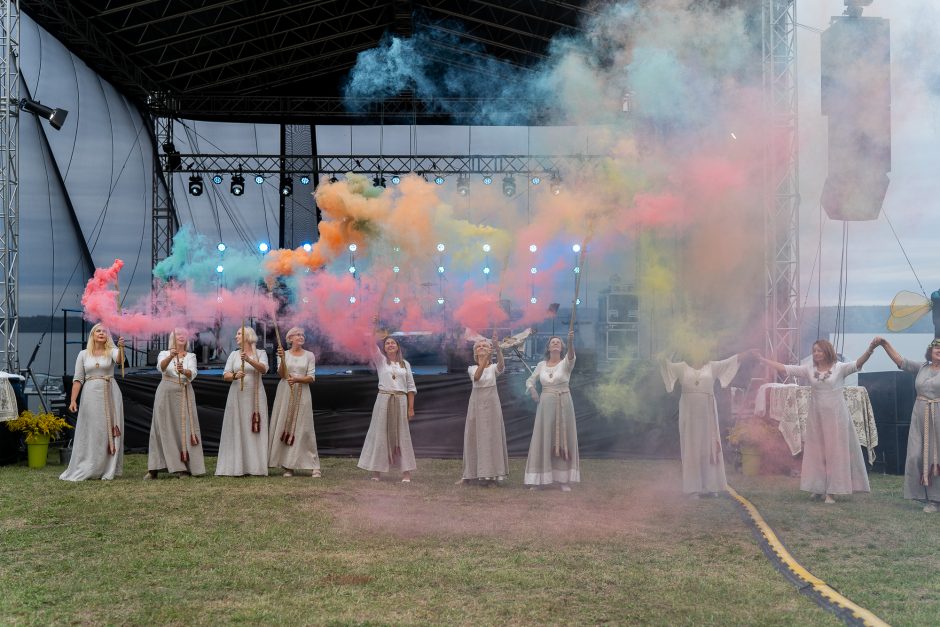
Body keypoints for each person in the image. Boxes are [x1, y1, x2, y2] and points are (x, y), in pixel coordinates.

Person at [761, 338, 877, 503]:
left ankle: (832, 491)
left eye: (819, 350)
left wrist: (871, 348)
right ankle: (817, 487)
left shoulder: (840, 368)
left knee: (835, 452)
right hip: (816, 417)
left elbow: (858, 363)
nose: (816, 353)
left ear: (827, 351)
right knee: (816, 452)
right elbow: (787, 369)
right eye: (814, 350)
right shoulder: (809, 369)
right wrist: (764, 360)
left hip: (836, 418)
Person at [661, 349, 757, 497]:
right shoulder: (681, 367)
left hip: (707, 412)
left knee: (709, 447)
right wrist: (661, 358)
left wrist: (748, 353)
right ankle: (693, 488)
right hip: (689, 412)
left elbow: (732, 361)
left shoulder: (712, 366)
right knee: (692, 447)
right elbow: (667, 367)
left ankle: (711, 486)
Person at [876, 337, 940, 513]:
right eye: (937, 346)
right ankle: (922, 494)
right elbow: (900, 361)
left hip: (939, 416)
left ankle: (935, 500)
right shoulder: (922, 367)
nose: (939, 349)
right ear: (930, 350)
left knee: (937, 458)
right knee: (915, 455)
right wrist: (884, 344)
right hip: (920, 415)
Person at [60, 324, 125, 481]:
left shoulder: (112, 350)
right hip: (90, 395)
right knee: (93, 429)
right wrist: (73, 400)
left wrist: (122, 347)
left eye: (104, 331)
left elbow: (120, 360)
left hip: (109, 393)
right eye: (98, 330)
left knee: (108, 428)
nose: (101, 333)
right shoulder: (83, 354)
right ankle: (91, 465)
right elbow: (78, 379)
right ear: (92, 334)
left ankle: (107, 467)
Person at [146, 328, 205, 479]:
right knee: (161, 428)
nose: (182, 336)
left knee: (183, 428)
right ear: (173, 337)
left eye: (184, 334)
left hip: (184, 392)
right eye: (178, 334)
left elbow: (193, 373)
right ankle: (155, 467)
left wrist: (184, 371)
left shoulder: (191, 356)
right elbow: (161, 367)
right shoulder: (164, 354)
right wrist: (171, 357)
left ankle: (182, 467)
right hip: (165, 392)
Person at [524, 330, 579, 491]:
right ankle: (541, 479)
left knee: (563, 437)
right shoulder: (541, 365)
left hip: (564, 401)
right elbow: (530, 380)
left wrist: (570, 341)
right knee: (545, 437)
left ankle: (563, 480)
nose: (555, 343)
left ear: (562, 347)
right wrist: (532, 389)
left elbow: (571, 355)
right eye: (552, 342)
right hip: (546, 404)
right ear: (548, 348)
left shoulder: (566, 363)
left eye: (558, 342)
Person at [358, 334, 417, 482]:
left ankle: (406, 473)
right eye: (387, 343)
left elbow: (411, 387)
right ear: (384, 348)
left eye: (393, 343)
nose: (390, 345)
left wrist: (411, 408)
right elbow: (371, 344)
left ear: (398, 347)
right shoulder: (381, 361)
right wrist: (374, 327)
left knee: (402, 435)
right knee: (380, 434)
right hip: (384, 399)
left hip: (401, 400)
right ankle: (376, 473)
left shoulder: (405, 364)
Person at [216, 326, 269, 476]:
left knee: (253, 430)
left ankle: (255, 467)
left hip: (255, 396)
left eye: (239, 333)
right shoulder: (233, 355)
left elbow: (264, 369)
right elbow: (225, 374)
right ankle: (237, 465)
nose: (236, 336)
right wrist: (234, 376)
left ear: (248, 336)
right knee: (237, 426)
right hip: (237, 395)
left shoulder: (260, 353)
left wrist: (249, 360)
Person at [268, 327, 320, 478]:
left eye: (302, 334)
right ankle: (288, 466)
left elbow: (311, 377)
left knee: (305, 428)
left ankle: (314, 465)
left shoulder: (309, 355)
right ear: (290, 338)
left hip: (302, 393)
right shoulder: (283, 353)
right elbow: (282, 374)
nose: (301, 337)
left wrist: (297, 379)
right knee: (286, 425)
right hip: (285, 391)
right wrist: (282, 359)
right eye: (297, 335)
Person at [461, 332, 509, 486]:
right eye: (479, 346)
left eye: (484, 346)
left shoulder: (494, 367)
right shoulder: (472, 368)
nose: (481, 347)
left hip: (492, 404)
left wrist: (498, 349)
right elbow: (477, 377)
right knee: (474, 435)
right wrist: (486, 359)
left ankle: (492, 475)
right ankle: (471, 474)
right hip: (476, 404)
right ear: (475, 352)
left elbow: (501, 366)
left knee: (491, 436)